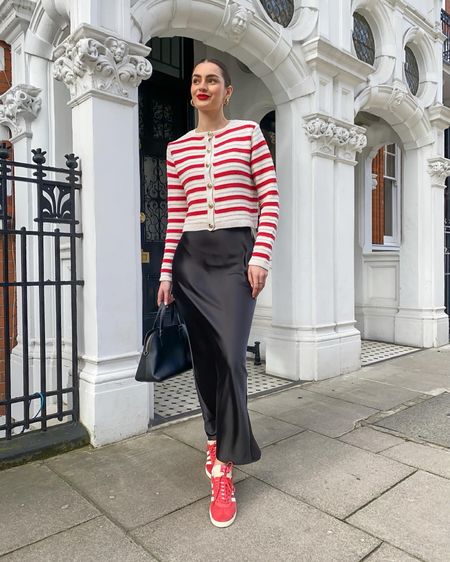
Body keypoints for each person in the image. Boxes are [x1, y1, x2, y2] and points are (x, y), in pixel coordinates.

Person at [157, 58, 279, 528]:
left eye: (212, 80)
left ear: (227, 91)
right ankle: (218, 456)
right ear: (191, 92)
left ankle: (225, 453)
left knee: (230, 356)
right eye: (196, 80)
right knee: (206, 359)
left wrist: (259, 256)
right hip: (191, 260)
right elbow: (175, 215)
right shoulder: (177, 148)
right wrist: (166, 272)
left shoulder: (249, 135)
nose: (202, 86)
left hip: (235, 258)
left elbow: (269, 200)